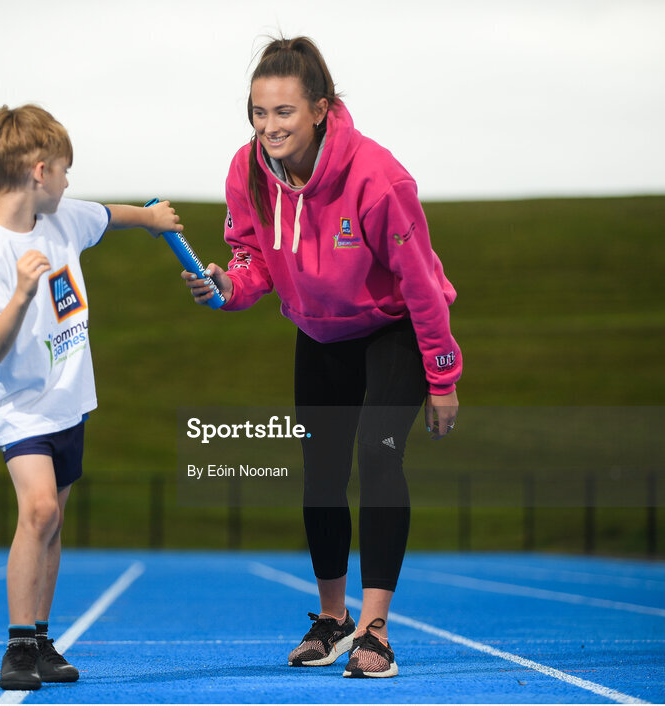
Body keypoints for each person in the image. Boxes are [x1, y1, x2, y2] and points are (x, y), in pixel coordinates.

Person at [184, 37, 461, 679]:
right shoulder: (247, 171)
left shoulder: (379, 178)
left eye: (283, 112)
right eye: (258, 112)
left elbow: (420, 282)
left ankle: (376, 632)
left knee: (378, 452)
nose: (269, 126)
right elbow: (253, 258)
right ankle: (334, 621)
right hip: (317, 331)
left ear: (319, 109)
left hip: (390, 330)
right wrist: (228, 286)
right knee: (320, 475)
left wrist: (443, 375)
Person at [0, 104, 181, 691]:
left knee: (53, 522)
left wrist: (154, 218)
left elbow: (111, 215)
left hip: (67, 402)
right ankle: (16, 648)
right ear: (38, 171)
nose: (68, 182)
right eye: (64, 170)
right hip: (19, 409)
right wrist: (23, 293)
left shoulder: (63, 219)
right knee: (37, 510)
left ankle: (39, 636)